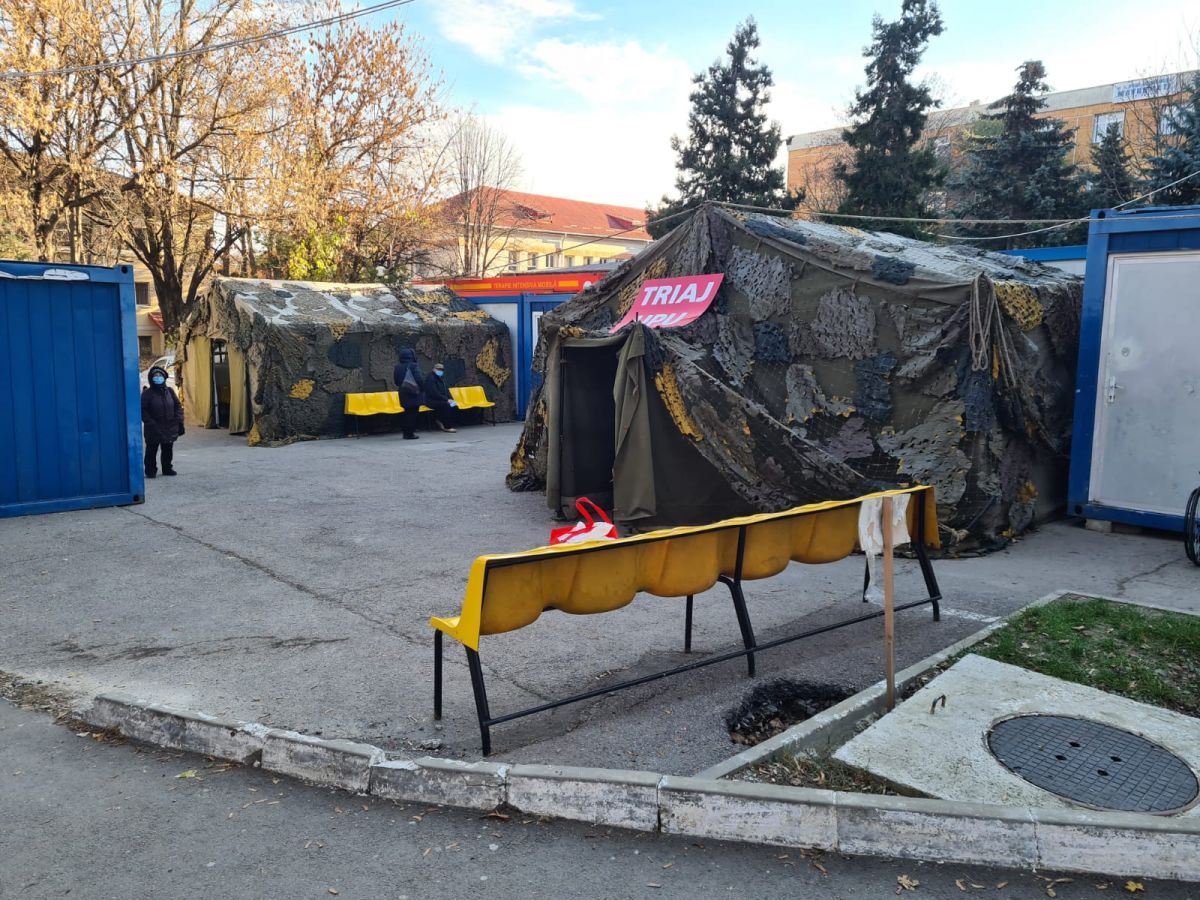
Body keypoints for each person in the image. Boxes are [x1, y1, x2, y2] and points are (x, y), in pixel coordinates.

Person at [142, 365, 184, 477]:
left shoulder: (169, 391)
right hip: (153, 428)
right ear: (151, 378)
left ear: (164, 377)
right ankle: (150, 470)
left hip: (169, 426)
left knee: (167, 449)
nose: (158, 377)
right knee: (151, 450)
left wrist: (179, 420)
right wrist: (150, 422)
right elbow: (142, 410)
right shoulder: (147, 393)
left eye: (160, 375)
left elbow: (177, 405)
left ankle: (167, 468)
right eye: (155, 376)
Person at [393, 347, 424, 440]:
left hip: (403, 393)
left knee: (407, 412)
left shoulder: (397, 367)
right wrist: (422, 389)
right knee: (413, 414)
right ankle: (410, 433)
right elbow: (419, 379)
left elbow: (396, 381)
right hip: (413, 393)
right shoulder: (413, 366)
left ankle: (406, 432)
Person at [423, 362, 458, 433]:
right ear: (434, 369)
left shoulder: (440, 378)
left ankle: (440, 419)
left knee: (454, 404)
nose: (440, 371)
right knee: (446, 405)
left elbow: (446, 390)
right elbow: (434, 393)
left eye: (442, 369)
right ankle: (447, 426)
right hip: (431, 400)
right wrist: (446, 399)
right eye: (438, 369)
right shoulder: (431, 378)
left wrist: (451, 399)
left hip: (440, 399)